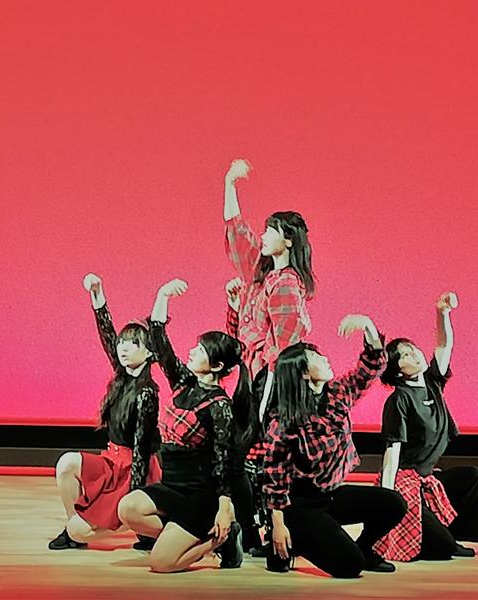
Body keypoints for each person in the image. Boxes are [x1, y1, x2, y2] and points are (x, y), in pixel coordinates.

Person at [117, 279, 251, 572]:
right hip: (172, 488)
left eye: (200, 350)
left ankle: (218, 541)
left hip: (199, 497)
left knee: (161, 563)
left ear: (216, 366)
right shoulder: (183, 382)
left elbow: (224, 461)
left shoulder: (219, 406)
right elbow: (159, 340)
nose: (192, 351)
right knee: (127, 508)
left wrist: (224, 506)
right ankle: (181, 536)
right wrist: (162, 295)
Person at [263, 315, 408, 578]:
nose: (325, 359)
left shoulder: (336, 395)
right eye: (316, 357)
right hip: (299, 504)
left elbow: (371, 366)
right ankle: (296, 538)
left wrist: (367, 325)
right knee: (349, 566)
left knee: (393, 503)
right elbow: (275, 478)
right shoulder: (283, 421)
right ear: (304, 373)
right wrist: (278, 524)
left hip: (331, 494)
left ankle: (363, 548)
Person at [223, 158, 316, 553]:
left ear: (288, 240)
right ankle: (252, 528)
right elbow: (238, 233)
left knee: (262, 453)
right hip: (255, 375)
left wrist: (266, 392)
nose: (261, 236)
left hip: (271, 381)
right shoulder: (263, 276)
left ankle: (267, 529)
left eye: (270, 231)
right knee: (244, 454)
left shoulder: (287, 284)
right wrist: (230, 184)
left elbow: (286, 345)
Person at [48, 273, 162, 550]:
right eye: (122, 343)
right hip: (112, 460)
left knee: (80, 530)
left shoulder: (147, 392)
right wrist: (97, 293)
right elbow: (108, 334)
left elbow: (141, 449)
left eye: (133, 344)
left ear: (149, 353)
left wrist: (134, 498)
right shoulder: (122, 377)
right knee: (66, 463)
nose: (123, 348)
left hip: (134, 469)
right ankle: (75, 529)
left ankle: (152, 529)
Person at [375, 292, 478, 561]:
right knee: (442, 550)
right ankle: (442, 539)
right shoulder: (399, 400)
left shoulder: (432, 382)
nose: (415, 354)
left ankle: (454, 535)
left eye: (412, 348)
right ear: (397, 370)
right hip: (405, 484)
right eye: (405, 354)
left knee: (472, 477)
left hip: (427, 479)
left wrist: (442, 313)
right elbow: (392, 452)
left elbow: (444, 345)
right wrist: (387, 498)